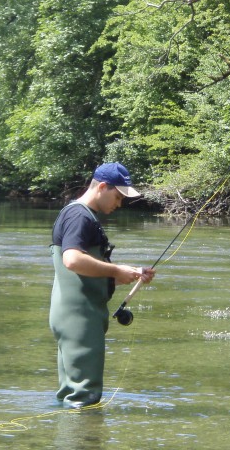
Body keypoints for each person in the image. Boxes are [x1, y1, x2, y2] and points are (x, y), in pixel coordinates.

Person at [49, 162, 155, 407]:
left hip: (72, 315)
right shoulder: (79, 216)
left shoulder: (76, 214)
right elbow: (73, 260)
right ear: (103, 187)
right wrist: (118, 269)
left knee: (71, 393)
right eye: (118, 197)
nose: (119, 204)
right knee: (84, 397)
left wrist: (131, 274)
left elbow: (86, 274)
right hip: (80, 319)